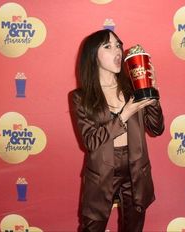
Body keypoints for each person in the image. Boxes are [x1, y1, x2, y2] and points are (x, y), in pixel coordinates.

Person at [69, 29, 164, 232]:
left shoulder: (134, 88)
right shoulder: (80, 97)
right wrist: (124, 114)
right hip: (102, 172)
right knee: (91, 227)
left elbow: (156, 129)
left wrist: (152, 92)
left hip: (136, 169)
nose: (118, 51)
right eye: (108, 46)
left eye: (118, 45)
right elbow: (91, 142)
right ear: (93, 55)